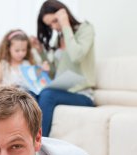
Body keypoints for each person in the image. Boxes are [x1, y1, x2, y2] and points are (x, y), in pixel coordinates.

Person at [30, 0, 95, 137]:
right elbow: (55, 72)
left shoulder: (86, 29)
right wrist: (41, 52)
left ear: (63, 14)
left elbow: (76, 56)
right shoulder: (58, 38)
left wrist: (65, 25)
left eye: (55, 21)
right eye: (50, 25)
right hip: (62, 92)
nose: (54, 27)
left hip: (82, 95)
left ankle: (37, 145)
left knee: (47, 95)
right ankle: (23, 141)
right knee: (29, 95)